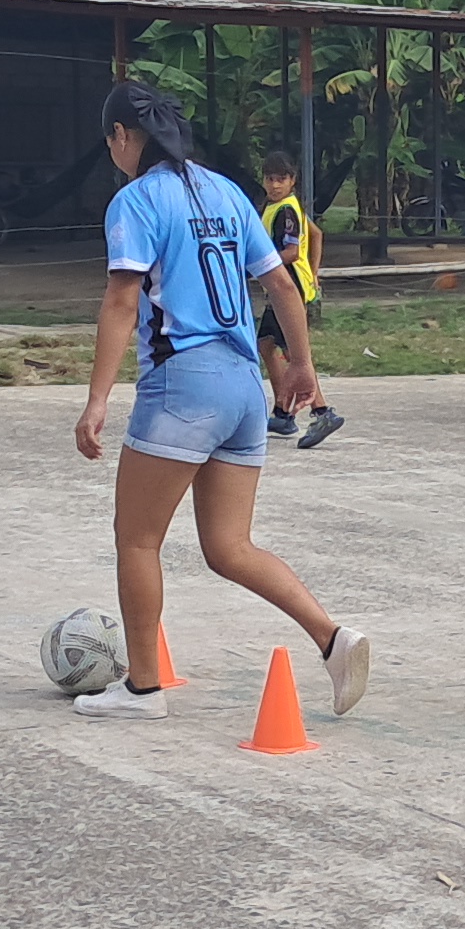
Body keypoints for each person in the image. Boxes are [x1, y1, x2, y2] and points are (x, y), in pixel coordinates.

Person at [69, 81, 374, 719]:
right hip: (242, 386)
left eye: (111, 142)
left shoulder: (135, 200)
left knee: (137, 540)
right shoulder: (227, 192)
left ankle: (143, 688)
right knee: (230, 547)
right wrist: (301, 365)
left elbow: (122, 302)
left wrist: (97, 400)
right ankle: (332, 638)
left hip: (182, 385)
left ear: (122, 136)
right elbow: (282, 285)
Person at [251, 151, 342, 448]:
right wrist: (313, 270)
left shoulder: (287, 211)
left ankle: (322, 411)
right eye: (270, 179)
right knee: (266, 344)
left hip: (288, 288)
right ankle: (282, 411)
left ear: (292, 180)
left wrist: (257, 265)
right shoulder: (278, 207)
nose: (275, 185)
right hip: (279, 289)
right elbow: (316, 234)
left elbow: (290, 252)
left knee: (294, 353)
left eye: (281, 179)